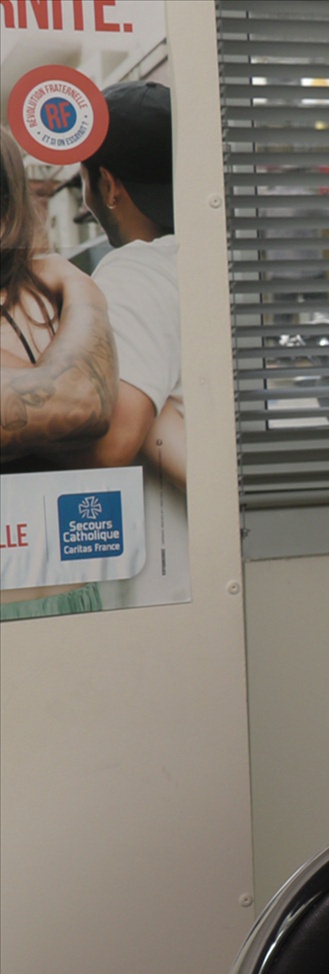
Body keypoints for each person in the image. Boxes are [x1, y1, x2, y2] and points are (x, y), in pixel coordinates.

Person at [67, 80, 189, 607]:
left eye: (84, 179)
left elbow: (113, 441)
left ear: (109, 185)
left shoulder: (135, 273)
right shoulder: (210, 261)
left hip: (170, 588)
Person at [1, 129, 120, 619]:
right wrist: (80, 286)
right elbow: (80, 401)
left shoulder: (41, 301)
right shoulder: (54, 297)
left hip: (61, 600)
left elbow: (86, 413)